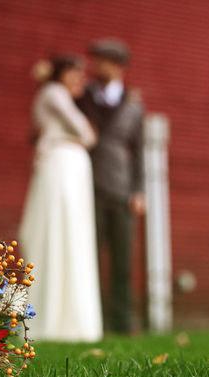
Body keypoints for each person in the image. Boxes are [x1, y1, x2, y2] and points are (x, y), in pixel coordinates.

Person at [19, 55, 103, 342]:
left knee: (68, 236)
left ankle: (66, 319)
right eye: (76, 73)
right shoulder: (54, 93)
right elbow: (87, 133)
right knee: (62, 233)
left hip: (68, 167)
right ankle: (57, 319)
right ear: (62, 74)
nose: (81, 79)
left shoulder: (55, 96)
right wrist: (80, 137)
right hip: (62, 168)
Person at [77, 39, 145, 334]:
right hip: (88, 187)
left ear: (118, 66)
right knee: (89, 257)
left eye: (102, 60)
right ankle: (95, 321)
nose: (96, 66)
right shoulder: (84, 96)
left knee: (122, 262)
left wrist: (138, 190)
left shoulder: (134, 104)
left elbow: (139, 152)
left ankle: (123, 322)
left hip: (121, 191)